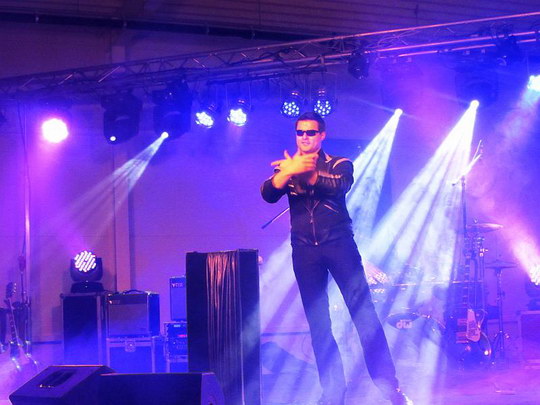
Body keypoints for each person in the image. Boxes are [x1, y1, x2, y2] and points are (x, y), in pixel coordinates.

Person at [260, 112, 411, 405]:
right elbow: (268, 193)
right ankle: (333, 393)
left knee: (364, 315)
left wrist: (306, 173)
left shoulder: (339, 163)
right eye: (300, 132)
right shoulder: (288, 168)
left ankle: (388, 385)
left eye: (311, 132)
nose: (305, 137)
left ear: (322, 135)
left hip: (339, 245)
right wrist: (287, 172)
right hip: (305, 250)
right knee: (319, 325)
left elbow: (338, 186)